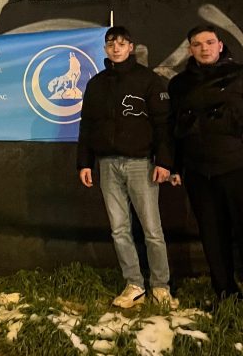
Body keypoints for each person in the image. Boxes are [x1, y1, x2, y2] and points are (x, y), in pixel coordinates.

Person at [168, 24, 243, 301]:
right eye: (197, 44)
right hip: (199, 172)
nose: (204, 48)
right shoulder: (179, 85)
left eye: (209, 42)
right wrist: (175, 166)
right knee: (212, 236)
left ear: (220, 45)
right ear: (190, 50)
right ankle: (226, 291)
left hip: (241, 167)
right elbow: (174, 128)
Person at [77, 26, 178, 309]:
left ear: (131, 47)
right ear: (105, 48)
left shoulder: (149, 80)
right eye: (111, 44)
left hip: (140, 164)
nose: (116, 48)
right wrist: (84, 162)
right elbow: (87, 126)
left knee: (152, 229)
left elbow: (163, 125)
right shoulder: (96, 84)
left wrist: (164, 161)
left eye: (122, 43)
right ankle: (134, 284)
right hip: (107, 165)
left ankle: (160, 286)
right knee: (119, 229)